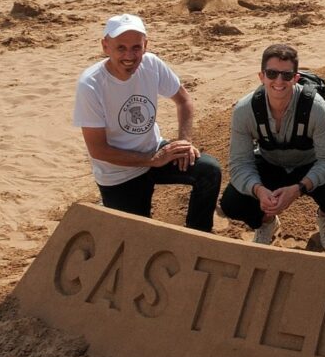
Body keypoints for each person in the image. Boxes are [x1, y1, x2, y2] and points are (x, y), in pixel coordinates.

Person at [72, 14, 221, 231]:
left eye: (136, 47)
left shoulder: (151, 64)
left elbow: (184, 100)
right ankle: (111, 205)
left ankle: (199, 237)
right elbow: (98, 150)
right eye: (120, 48)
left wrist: (184, 142)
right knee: (138, 237)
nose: (129, 55)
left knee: (209, 171)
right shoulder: (91, 84)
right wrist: (153, 159)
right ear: (105, 46)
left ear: (145, 46)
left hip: (153, 151)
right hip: (119, 172)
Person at [220, 44, 325, 248]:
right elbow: (239, 163)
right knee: (232, 202)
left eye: (286, 75)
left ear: (296, 78)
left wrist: (298, 189)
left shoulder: (316, 107)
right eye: (272, 74)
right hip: (270, 163)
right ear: (261, 76)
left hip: (309, 163)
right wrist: (258, 190)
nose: (279, 81)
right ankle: (266, 222)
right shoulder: (245, 110)